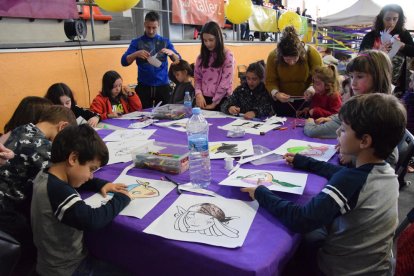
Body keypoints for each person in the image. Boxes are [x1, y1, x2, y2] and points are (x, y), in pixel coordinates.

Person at [242, 93, 407, 275]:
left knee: (289, 245)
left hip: (341, 270)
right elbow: (342, 173)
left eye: (343, 130)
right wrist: (304, 161)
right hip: (378, 268)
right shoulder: (385, 172)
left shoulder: (351, 181)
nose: (337, 133)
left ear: (365, 141)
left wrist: (261, 193)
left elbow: (301, 219)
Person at [31, 124, 131, 275]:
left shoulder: (47, 174)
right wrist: (121, 199)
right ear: (73, 158)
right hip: (68, 269)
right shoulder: (58, 190)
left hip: (50, 263)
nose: (91, 176)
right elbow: (91, 220)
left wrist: (102, 184)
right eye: (91, 169)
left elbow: (79, 178)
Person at [0, 105, 76, 274]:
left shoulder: (23, 128)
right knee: (32, 242)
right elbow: (63, 175)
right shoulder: (41, 144)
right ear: (62, 126)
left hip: (6, 197)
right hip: (6, 209)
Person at [304, 50, 392, 139]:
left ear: (378, 77)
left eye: (360, 76)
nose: (353, 83)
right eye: (351, 76)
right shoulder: (359, 105)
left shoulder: (376, 112)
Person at [121, 11, 181, 108]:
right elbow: (123, 61)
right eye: (148, 27)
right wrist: (136, 54)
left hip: (163, 86)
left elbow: (179, 61)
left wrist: (172, 54)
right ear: (144, 24)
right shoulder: (136, 42)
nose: (151, 31)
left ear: (158, 25)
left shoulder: (165, 41)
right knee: (142, 116)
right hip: (144, 86)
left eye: (154, 28)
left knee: (164, 117)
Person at [265, 26, 322, 117]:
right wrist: (276, 93)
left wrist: (311, 89)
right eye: (287, 60)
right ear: (280, 55)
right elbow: (270, 81)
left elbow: (320, 79)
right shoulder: (273, 56)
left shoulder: (312, 54)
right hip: (282, 102)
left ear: (300, 53)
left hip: (307, 100)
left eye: (295, 59)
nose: (291, 63)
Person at [360, 4, 414, 96]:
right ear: (381, 19)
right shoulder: (371, 36)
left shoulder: (404, 34)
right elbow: (360, 57)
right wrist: (377, 52)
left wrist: (403, 46)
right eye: (387, 19)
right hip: (374, 82)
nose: (391, 23)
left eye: (395, 19)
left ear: (399, 19)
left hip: (398, 86)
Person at [194, 21, 235, 111]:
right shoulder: (200, 57)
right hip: (204, 99)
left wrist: (214, 103)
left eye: (211, 40)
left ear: (218, 38)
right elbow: (197, 79)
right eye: (205, 40)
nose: (208, 44)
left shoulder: (227, 56)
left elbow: (225, 82)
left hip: (222, 100)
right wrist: (198, 94)